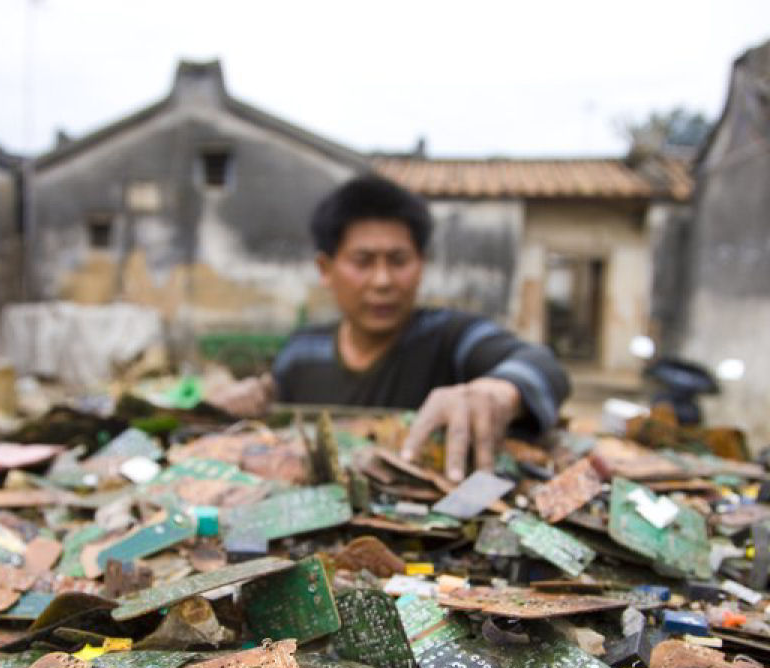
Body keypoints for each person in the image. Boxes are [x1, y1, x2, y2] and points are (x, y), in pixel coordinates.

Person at [209, 175, 570, 482]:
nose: (382, 281)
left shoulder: (451, 338)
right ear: (325, 268)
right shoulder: (302, 351)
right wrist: (246, 397)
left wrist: (497, 391)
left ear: (421, 264)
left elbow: (540, 365)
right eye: (362, 261)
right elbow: (272, 394)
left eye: (398, 261)